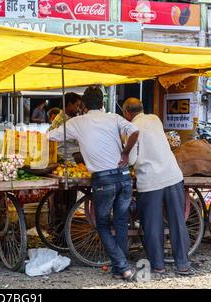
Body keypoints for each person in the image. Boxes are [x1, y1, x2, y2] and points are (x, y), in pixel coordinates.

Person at [49, 87, 139, 280]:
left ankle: (123, 267)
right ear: (103, 103)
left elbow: (51, 136)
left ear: (83, 104)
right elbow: (135, 130)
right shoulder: (114, 118)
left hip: (104, 180)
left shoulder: (77, 122)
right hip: (124, 176)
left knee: (103, 224)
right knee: (121, 222)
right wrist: (125, 153)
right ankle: (119, 268)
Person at [122, 97, 193, 276]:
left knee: (153, 224)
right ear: (142, 108)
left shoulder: (130, 129)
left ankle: (159, 266)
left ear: (126, 113)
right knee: (177, 221)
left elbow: (131, 159)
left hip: (150, 181)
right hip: (172, 175)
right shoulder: (155, 119)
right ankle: (183, 265)